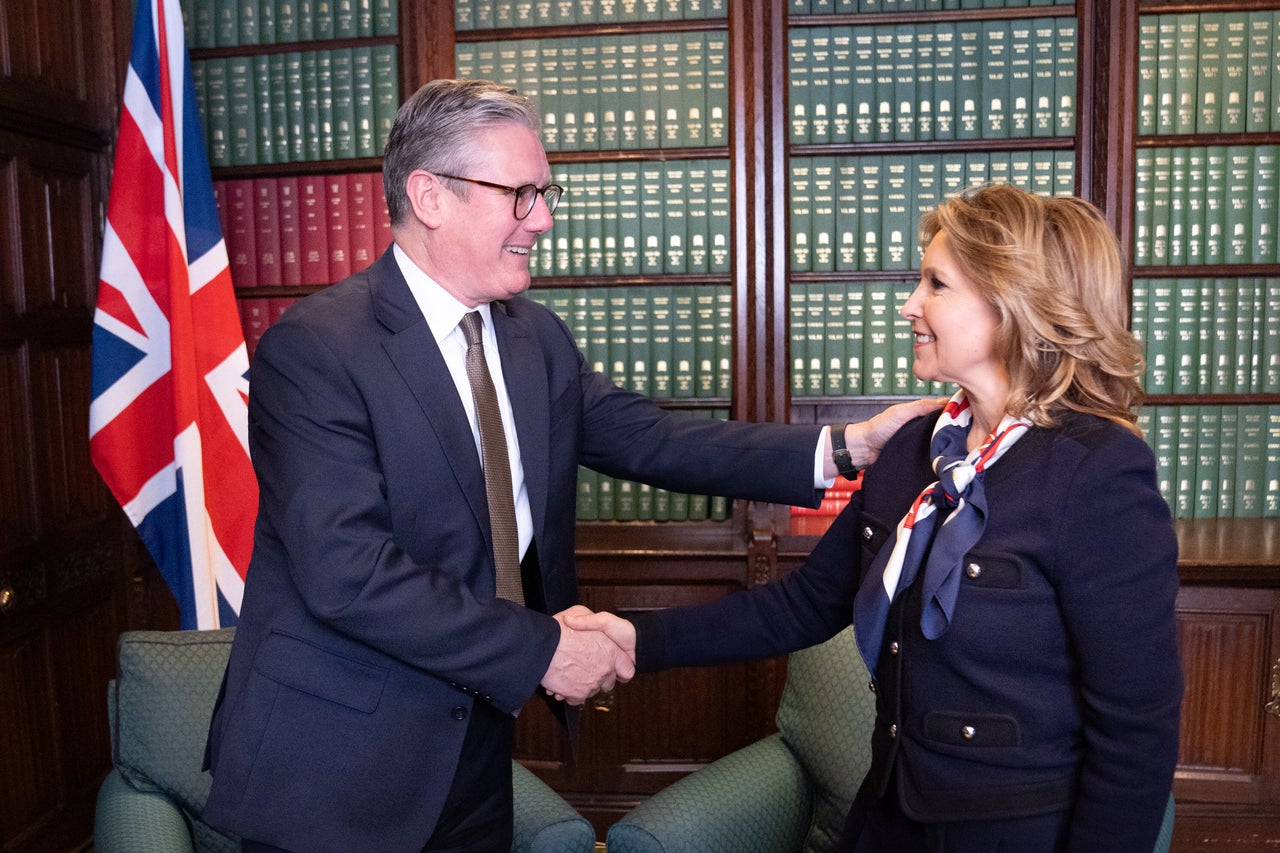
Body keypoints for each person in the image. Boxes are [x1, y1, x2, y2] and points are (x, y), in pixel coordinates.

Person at [201, 78, 939, 853]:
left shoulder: (533, 338)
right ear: (429, 196)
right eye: (519, 194)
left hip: (475, 747)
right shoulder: (317, 348)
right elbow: (347, 572)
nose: (543, 219)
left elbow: (653, 440)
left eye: (544, 193)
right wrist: (545, 649)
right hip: (337, 769)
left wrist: (847, 446)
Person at [574, 184, 1183, 853]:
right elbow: (803, 605)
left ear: (1012, 306)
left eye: (936, 284)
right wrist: (633, 639)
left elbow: (1136, 730)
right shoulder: (914, 450)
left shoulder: (1098, 471)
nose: (910, 305)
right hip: (888, 818)